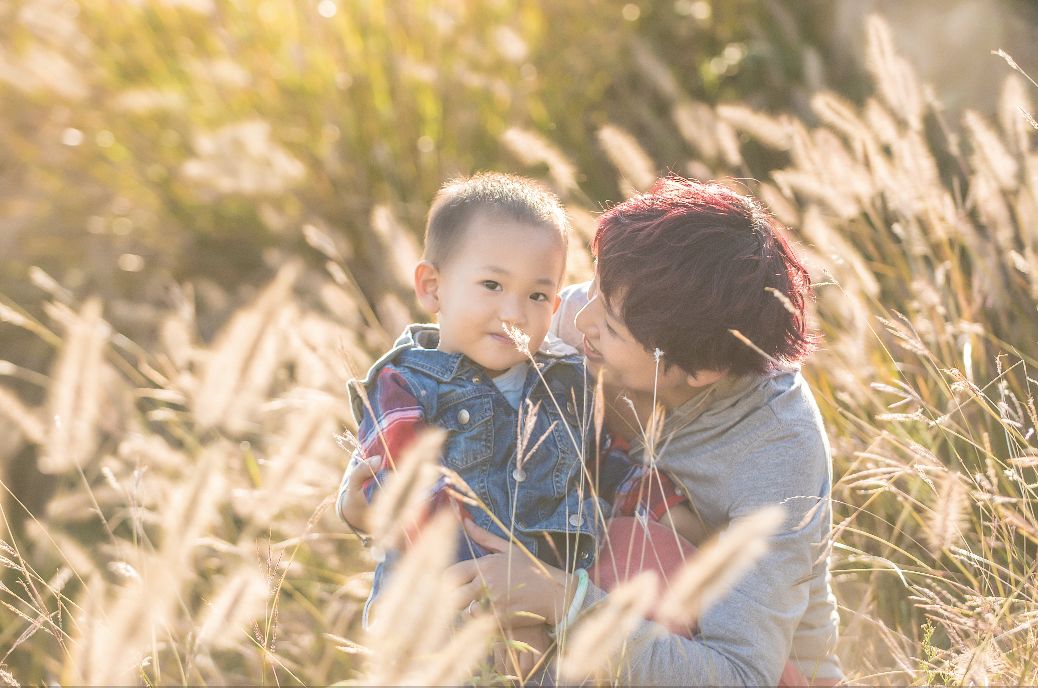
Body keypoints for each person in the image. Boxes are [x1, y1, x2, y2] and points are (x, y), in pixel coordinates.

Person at [447, 177, 844, 685]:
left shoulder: (777, 454)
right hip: (585, 620)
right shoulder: (589, 319)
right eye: (591, 286)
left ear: (701, 371)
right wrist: (365, 489)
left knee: (639, 547)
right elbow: (434, 380)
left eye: (611, 326)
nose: (578, 317)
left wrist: (564, 602)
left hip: (760, 672)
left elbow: (739, 674)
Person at [336, 172, 614, 677]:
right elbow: (399, 484)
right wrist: (498, 602)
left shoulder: (568, 382)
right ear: (432, 287)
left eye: (537, 296)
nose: (514, 312)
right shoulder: (405, 385)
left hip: (551, 621)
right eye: (492, 285)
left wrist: (663, 509)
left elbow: (606, 465)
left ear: (556, 307)